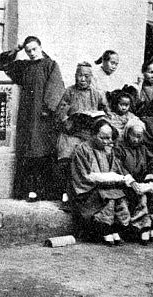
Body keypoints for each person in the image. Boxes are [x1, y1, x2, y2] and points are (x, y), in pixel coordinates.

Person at [0, 36, 65, 202]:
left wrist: (47, 109)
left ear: (41, 47)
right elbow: (4, 63)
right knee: (28, 151)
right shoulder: (25, 66)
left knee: (42, 151)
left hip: (43, 117)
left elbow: (56, 88)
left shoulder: (51, 65)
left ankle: (45, 192)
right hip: (28, 116)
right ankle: (29, 190)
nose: (32, 53)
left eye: (34, 49)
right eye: (28, 51)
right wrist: (18, 48)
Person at [70, 118, 140, 246]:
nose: (108, 142)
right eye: (103, 138)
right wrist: (110, 177)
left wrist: (122, 178)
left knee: (120, 196)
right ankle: (103, 229)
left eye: (109, 138)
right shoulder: (82, 149)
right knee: (108, 197)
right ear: (93, 135)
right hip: (88, 190)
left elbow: (117, 169)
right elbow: (85, 177)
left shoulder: (108, 149)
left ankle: (114, 229)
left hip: (105, 187)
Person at [55, 62, 109, 206]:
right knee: (67, 157)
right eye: (79, 75)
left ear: (91, 77)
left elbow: (106, 113)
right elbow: (60, 113)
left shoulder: (97, 94)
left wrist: (97, 117)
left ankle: (87, 195)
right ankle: (66, 194)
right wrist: (70, 122)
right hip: (71, 133)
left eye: (86, 76)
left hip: (90, 134)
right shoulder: (69, 92)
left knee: (91, 159)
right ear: (75, 76)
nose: (82, 79)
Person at [115, 123, 153, 243]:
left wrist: (151, 178)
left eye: (139, 136)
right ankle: (143, 228)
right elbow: (118, 166)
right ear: (127, 134)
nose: (136, 139)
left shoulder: (143, 149)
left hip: (141, 182)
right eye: (133, 136)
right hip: (125, 183)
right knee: (141, 198)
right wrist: (130, 180)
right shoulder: (119, 148)